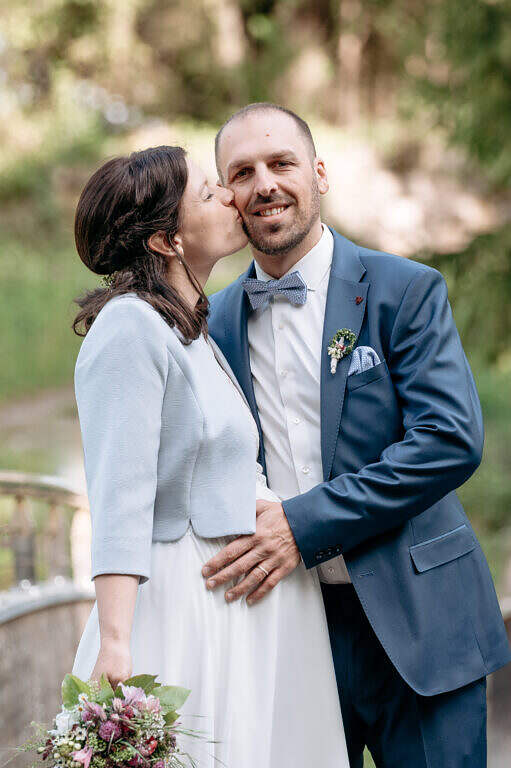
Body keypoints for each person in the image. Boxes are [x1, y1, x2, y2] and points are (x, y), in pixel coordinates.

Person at [204, 103, 511, 768]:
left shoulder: (404, 289)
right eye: (242, 172)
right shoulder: (214, 323)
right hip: (286, 628)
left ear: (317, 173)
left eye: (281, 163)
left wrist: (303, 524)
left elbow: (448, 438)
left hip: (420, 619)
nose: (264, 184)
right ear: (227, 196)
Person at [70, 145, 350, 768]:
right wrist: (116, 643)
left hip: (249, 607)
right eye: (208, 192)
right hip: (191, 603)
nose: (230, 194)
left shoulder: (192, 328)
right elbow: (120, 493)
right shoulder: (129, 328)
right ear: (166, 242)